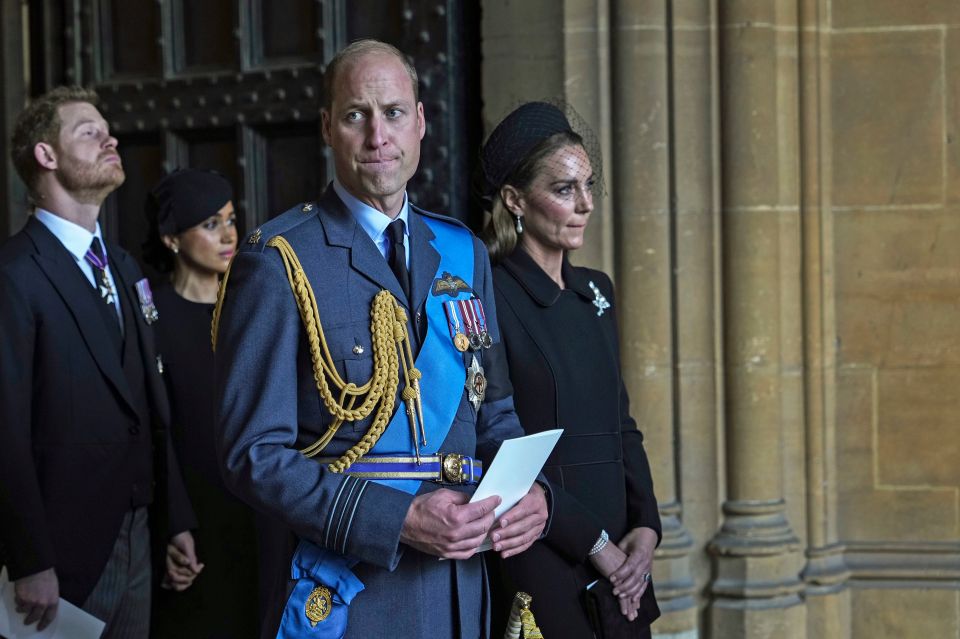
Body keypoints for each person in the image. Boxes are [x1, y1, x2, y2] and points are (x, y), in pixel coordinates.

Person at [213, 39, 550, 638]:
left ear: (420, 122)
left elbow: (494, 411)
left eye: (394, 113)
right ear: (326, 128)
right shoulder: (280, 260)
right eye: (355, 116)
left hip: (458, 589)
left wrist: (533, 494)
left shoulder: (462, 252)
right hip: (352, 595)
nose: (377, 136)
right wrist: (395, 519)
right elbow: (253, 455)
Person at [0, 86, 200, 637]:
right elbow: (5, 429)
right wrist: (29, 558)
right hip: (62, 553)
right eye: (88, 131)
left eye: (106, 129)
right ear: (46, 156)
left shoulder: (124, 266)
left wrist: (174, 520)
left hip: (139, 532)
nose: (110, 138)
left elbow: (150, 404)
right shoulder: (15, 274)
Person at [477, 101, 663, 638]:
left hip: (622, 553)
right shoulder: (487, 293)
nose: (584, 204)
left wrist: (646, 527)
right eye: (564, 190)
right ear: (515, 200)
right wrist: (593, 544)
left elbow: (621, 423)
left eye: (588, 186)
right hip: (543, 547)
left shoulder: (595, 292)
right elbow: (493, 442)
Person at [142, 168, 261, 638]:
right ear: (172, 239)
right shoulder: (150, 315)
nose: (229, 234)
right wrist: (173, 524)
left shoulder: (252, 306)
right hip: (188, 515)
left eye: (231, 219)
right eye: (211, 224)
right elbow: (155, 429)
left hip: (255, 510)